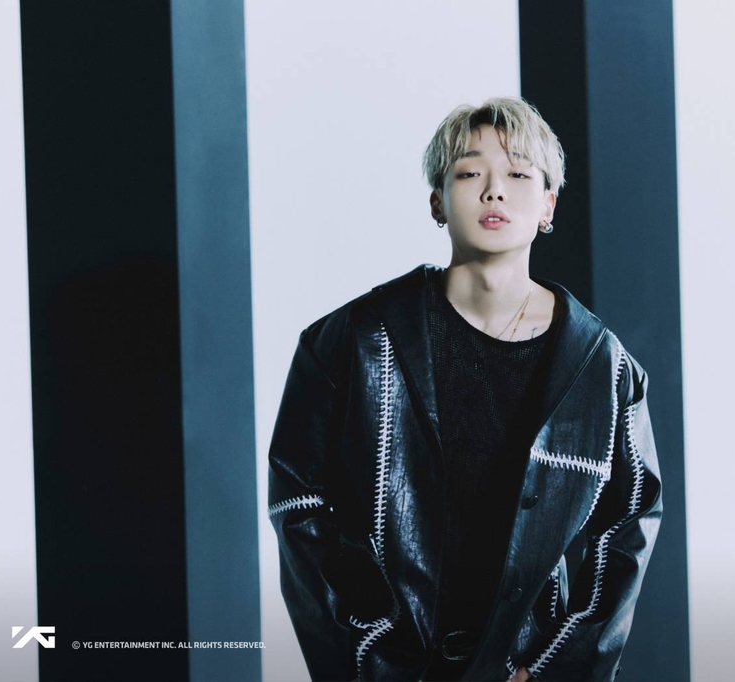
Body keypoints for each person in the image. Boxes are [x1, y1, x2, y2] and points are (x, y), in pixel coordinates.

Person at [268, 97, 661, 681]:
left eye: (519, 174)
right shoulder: (353, 340)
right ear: (437, 201)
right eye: (470, 173)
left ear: (548, 203)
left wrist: (558, 669)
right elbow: (297, 502)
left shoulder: (602, 366)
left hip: (524, 665)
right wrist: (368, 653)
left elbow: (630, 522)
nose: (494, 191)